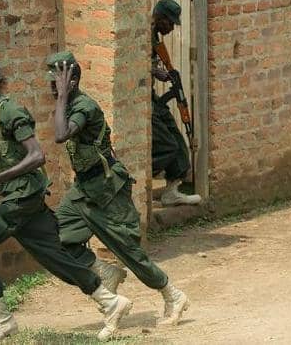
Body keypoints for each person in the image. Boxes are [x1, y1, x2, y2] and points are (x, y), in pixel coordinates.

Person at [0, 59, 131, 343]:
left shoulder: (9, 111)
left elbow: (37, 156)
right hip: (23, 197)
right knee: (55, 257)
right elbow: (7, 157)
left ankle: (2, 320)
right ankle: (110, 302)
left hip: (21, 198)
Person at [46, 52, 190, 332]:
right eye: (52, 82)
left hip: (107, 190)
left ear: (72, 81)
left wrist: (62, 96)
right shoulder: (69, 105)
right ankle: (104, 271)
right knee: (56, 237)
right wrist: (62, 98)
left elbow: (61, 135)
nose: (53, 87)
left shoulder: (84, 107)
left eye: (57, 82)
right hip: (83, 190)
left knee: (129, 252)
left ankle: (173, 295)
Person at [150, 0, 201, 206]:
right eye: (170, 22)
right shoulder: (143, 35)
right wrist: (154, 71)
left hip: (153, 99)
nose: (171, 28)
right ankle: (136, 180)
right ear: (159, 17)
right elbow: (131, 62)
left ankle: (171, 192)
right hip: (143, 101)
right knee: (167, 146)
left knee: (178, 143)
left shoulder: (155, 36)